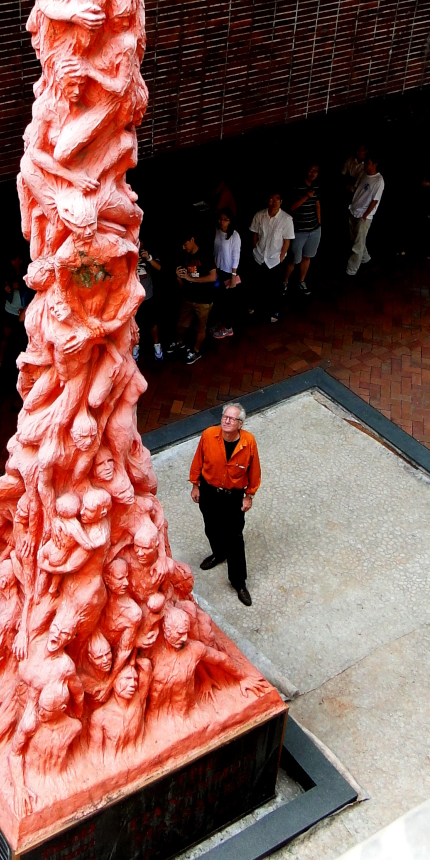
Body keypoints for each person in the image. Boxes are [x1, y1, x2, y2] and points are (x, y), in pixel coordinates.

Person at [189, 403, 261, 607]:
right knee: (211, 527)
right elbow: (198, 461)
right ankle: (219, 553)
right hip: (209, 492)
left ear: (240, 423)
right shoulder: (209, 435)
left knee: (235, 538)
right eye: (224, 417)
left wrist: (249, 496)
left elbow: (254, 472)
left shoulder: (248, 442)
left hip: (233, 496)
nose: (226, 421)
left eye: (231, 419)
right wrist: (195, 486)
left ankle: (239, 582)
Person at [168, 232, 217, 365]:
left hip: (204, 300)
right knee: (181, 324)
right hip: (188, 298)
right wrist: (179, 277)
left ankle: (196, 350)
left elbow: (213, 277)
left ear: (192, 239)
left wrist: (192, 279)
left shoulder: (205, 254)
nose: (184, 248)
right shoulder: (185, 256)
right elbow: (183, 283)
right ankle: (180, 342)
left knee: (200, 328)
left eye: (185, 244)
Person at [248, 192, 293, 324]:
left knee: (274, 287)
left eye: (277, 199)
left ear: (281, 201)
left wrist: (280, 258)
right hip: (260, 255)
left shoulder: (286, 219)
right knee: (257, 283)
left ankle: (274, 311)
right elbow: (255, 235)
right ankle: (254, 305)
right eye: (271, 199)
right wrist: (255, 249)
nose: (273, 202)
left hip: (275, 259)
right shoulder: (259, 215)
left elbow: (287, 242)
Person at [284, 163, 321, 298]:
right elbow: (292, 207)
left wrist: (319, 223)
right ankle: (285, 281)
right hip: (299, 230)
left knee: (307, 257)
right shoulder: (297, 186)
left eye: (315, 171)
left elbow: (317, 204)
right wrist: (306, 196)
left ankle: (301, 281)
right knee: (293, 259)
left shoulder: (316, 186)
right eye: (311, 170)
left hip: (314, 229)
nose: (313, 173)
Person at [347, 156, 384, 276]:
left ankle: (351, 270)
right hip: (354, 210)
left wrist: (365, 215)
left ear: (375, 165)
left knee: (358, 244)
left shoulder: (379, 180)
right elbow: (357, 188)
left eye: (368, 163)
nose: (365, 165)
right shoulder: (364, 174)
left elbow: (375, 200)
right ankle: (366, 259)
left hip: (364, 216)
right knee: (357, 239)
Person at [211, 211, 241, 341]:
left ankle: (228, 327)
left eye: (226, 219)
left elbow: (235, 256)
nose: (222, 222)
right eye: (221, 219)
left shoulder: (235, 236)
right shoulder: (217, 232)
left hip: (229, 271)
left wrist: (234, 275)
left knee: (228, 301)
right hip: (218, 270)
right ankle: (221, 321)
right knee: (220, 299)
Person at [0, 254, 29, 373]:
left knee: (22, 340)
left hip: (23, 312)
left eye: (18, 258)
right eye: (13, 259)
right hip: (9, 310)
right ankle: (0, 361)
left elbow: (32, 289)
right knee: (5, 337)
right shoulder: (6, 272)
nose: (16, 261)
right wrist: (6, 287)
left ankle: (22, 367)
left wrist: (20, 286)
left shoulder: (27, 272)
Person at [134, 241, 163, 361]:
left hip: (148, 295)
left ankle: (157, 346)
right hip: (133, 297)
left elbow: (161, 268)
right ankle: (135, 346)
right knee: (135, 324)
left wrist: (149, 258)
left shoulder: (149, 251)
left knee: (152, 322)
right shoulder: (127, 250)